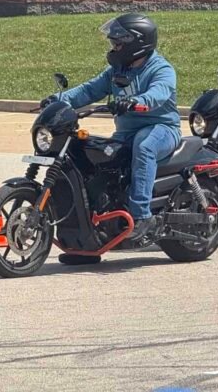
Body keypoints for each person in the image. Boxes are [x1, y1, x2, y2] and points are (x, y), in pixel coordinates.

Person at [42, 13, 180, 261]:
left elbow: (159, 93)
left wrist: (136, 102)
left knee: (145, 147)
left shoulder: (162, 69)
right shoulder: (117, 70)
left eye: (118, 43)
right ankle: (87, 242)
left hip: (162, 128)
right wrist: (59, 100)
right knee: (95, 157)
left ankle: (142, 217)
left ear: (137, 43)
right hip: (126, 132)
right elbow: (88, 90)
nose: (114, 47)